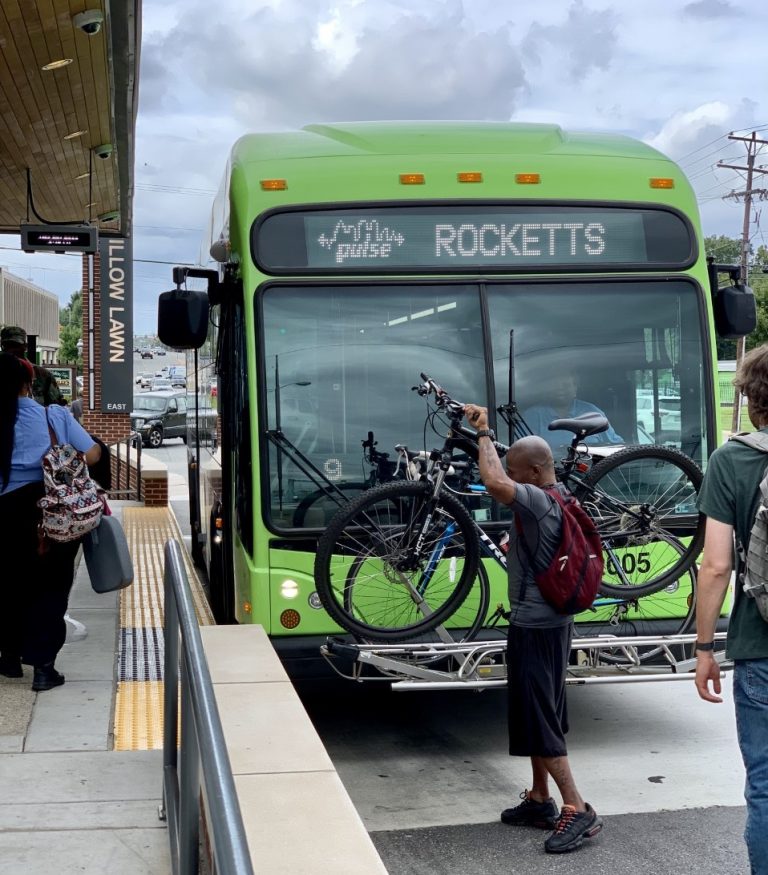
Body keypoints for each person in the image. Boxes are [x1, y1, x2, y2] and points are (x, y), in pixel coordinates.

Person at [463, 402, 602, 855]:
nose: (512, 479)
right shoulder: (555, 497)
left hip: (538, 627)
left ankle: (576, 808)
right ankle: (540, 799)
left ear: (537, 471)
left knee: (541, 718)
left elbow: (493, 482)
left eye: (518, 471)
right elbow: (504, 477)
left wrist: (483, 433)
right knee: (532, 711)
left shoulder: (540, 501)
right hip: (544, 624)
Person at [695, 343, 768, 875]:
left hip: (759, 645)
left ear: (749, 397)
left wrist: (703, 649)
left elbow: (716, 566)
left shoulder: (732, 460)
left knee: (766, 785)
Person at [0, 352, 101, 691]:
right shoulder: (52, 415)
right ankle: (44, 667)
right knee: (50, 587)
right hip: (51, 515)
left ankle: (9, 658)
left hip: (4, 515)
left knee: (9, 586)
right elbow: (91, 453)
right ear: (29, 384)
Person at [523, 373, 622, 454]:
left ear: (575, 388)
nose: (560, 389)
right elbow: (523, 452)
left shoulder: (592, 411)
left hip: (595, 473)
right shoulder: (532, 416)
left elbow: (617, 445)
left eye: (566, 385)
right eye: (554, 385)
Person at [0, 325, 64, 407]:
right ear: (2, 346)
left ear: (25, 347)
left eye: (16, 346)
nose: (12, 350)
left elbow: (57, 408)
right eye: (8, 346)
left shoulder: (42, 375)